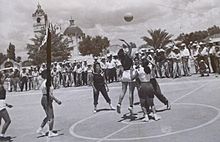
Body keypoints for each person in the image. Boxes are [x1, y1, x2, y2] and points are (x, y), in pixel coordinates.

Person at [37, 71, 62, 137]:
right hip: (47, 99)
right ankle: (50, 132)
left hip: (44, 98)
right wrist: (57, 100)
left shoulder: (44, 82)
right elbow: (49, 93)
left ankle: (40, 129)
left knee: (48, 116)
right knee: (51, 117)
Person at [116, 39, 135, 115]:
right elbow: (130, 47)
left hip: (124, 74)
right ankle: (130, 106)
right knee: (131, 92)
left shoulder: (122, 59)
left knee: (123, 91)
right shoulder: (128, 56)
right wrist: (124, 41)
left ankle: (119, 103)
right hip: (130, 73)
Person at [0, 72, 12, 138]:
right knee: (8, 121)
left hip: (2, 103)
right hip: (1, 105)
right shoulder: (0, 86)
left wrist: (7, 104)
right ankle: (1, 136)